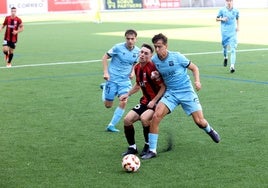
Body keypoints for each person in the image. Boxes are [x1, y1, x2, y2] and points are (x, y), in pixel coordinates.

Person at [141, 33, 220, 160]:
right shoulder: (155, 61)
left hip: (186, 92)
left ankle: (210, 130)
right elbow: (158, 75)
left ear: (166, 46)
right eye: (155, 47)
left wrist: (197, 81)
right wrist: (156, 76)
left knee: (200, 122)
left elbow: (194, 68)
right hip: (171, 93)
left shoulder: (177, 57)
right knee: (156, 116)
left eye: (159, 46)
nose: (157, 50)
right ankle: (152, 150)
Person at [120, 43, 166, 157]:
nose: (142, 55)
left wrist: (154, 101)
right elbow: (137, 85)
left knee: (144, 118)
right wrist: (127, 94)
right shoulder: (137, 67)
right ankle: (132, 147)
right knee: (127, 120)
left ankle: (148, 146)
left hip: (158, 102)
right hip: (145, 101)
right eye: (141, 52)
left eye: (146, 53)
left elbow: (163, 87)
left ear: (150, 56)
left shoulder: (152, 69)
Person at [101, 29, 140, 132]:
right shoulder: (118, 47)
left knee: (123, 100)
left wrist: (133, 72)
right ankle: (105, 87)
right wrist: (106, 72)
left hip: (124, 81)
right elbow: (104, 57)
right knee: (108, 105)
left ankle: (111, 125)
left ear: (136, 39)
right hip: (112, 79)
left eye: (132, 39)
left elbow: (135, 63)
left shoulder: (138, 51)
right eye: (128, 39)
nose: (130, 41)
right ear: (125, 38)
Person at [216, 0, 239, 73]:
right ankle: (225, 57)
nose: (229, 2)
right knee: (224, 47)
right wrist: (222, 19)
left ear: (232, 2)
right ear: (225, 2)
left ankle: (232, 66)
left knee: (233, 49)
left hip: (233, 33)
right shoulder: (222, 10)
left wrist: (238, 26)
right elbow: (216, 18)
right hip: (225, 32)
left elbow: (237, 18)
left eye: (230, 1)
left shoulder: (236, 10)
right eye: (227, 1)